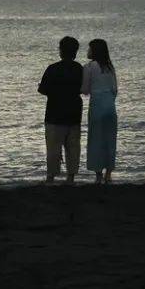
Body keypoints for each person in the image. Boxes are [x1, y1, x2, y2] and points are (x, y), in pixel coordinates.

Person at [37, 36, 83, 184]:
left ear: (61, 51)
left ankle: (51, 177)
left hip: (54, 113)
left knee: (53, 149)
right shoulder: (79, 69)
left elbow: (42, 90)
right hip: (74, 113)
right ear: (75, 52)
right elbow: (83, 88)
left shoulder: (53, 68)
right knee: (73, 148)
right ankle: (71, 177)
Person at [82, 39, 118, 184]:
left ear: (94, 51)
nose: (87, 51)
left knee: (96, 139)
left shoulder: (89, 67)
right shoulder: (110, 67)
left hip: (97, 105)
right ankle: (108, 173)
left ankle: (98, 174)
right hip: (110, 105)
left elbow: (84, 89)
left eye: (89, 49)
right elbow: (115, 89)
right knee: (110, 139)